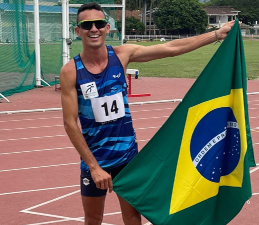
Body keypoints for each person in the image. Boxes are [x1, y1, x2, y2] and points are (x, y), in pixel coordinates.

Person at [59, 2, 237, 225]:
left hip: (128, 159)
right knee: (93, 219)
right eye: (87, 25)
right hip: (95, 161)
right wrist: (94, 167)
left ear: (107, 28)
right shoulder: (70, 71)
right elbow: (70, 124)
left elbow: (172, 49)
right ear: (78, 31)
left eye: (99, 23)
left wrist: (216, 35)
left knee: (133, 218)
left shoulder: (123, 55)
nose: (93, 29)